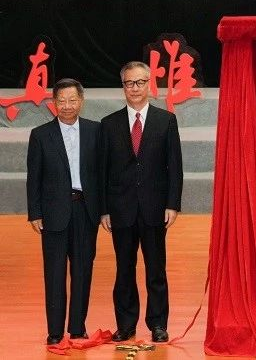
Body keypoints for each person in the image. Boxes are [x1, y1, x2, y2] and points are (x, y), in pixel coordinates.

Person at [100, 61, 183, 343]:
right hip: (120, 209)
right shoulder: (109, 124)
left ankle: (158, 323)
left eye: (140, 82)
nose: (134, 88)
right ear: (123, 86)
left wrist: (172, 204)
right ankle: (126, 324)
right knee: (124, 268)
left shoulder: (165, 120)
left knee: (156, 269)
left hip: (154, 208)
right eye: (129, 83)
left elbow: (175, 166)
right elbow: (103, 171)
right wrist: (104, 209)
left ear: (149, 84)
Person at [26, 78, 100, 345]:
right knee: (55, 273)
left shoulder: (95, 131)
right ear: (53, 103)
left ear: (81, 101)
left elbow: (102, 174)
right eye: (61, 101)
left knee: (83, 271)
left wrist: (104, 210)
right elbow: (34, 177)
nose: (67, 106)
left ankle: (78, 328)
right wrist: (35, 212)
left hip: (86, 210)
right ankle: (55, 331)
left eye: (72, 100)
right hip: (53, 212)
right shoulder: (40, 135)